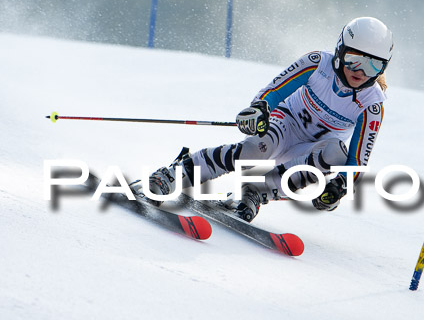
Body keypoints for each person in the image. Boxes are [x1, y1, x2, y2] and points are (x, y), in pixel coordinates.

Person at [148, 16, 393, 221]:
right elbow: (273, 92)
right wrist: (259, 110)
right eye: (354, 60)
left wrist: (339, 186)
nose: (360, 72)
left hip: (312, 150)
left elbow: (357, 161)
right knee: (256, 151)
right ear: (340, 50)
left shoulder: (372, 104)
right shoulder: (319, 63)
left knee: (337, 154)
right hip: (286, 123)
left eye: (373, 66)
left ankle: (257, 191)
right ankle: (177, 172)